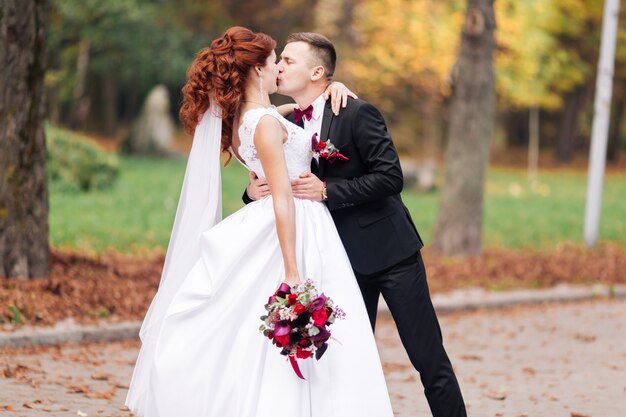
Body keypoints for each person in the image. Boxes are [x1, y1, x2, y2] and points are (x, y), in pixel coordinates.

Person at [125, 26, 394, 417]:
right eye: (274, 62)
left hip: (270, 222)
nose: (279, 69)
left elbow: (283, 117)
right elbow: (282, 197)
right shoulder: (265, 124)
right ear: (257, 70)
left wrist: (336, 87)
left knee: (253, 333)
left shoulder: (247, 121)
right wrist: (291, 269)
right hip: (295, 227)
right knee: (300, 331)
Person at [244, 32, 467, 417]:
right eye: (278, 62)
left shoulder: (356, 111)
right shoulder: (288, 124)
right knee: (343, 364)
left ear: (317, 72)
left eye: (289, 61)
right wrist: (252, 192)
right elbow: (278, 181)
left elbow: (391, 177)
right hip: (338, 263)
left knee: (427, 357)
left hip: (390, 254)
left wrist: (329, 189)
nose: (279, 67)